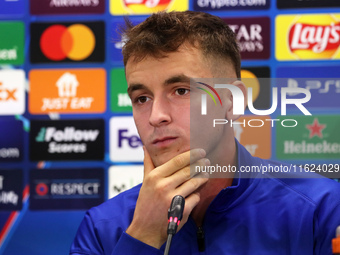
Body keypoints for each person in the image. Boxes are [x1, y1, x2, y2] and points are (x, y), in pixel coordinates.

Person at [69, 11, 340, 255]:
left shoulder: (320, 208)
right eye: (142, 98)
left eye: (181, 91)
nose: (155, 116)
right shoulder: (102, 229)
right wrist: (143, 237)